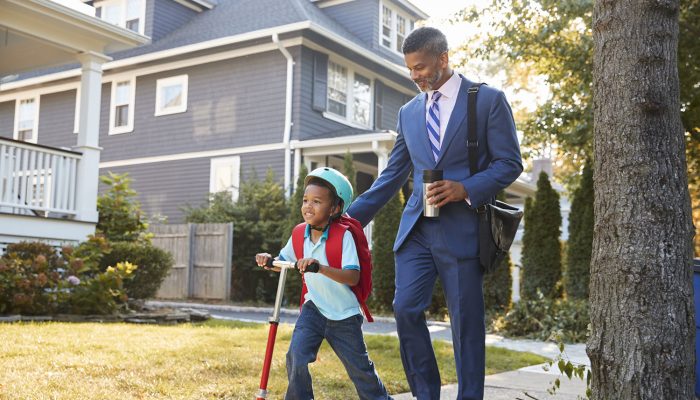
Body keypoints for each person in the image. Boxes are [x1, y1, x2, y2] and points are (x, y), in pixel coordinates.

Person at [346, 27, 523, 400]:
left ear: (443, 58)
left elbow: (510, 163)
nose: (415, 76)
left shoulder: (486, 100)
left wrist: (466, 188)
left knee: (466, 324)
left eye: (421, 67)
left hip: (462, 230)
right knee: (406, 309)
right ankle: (426, 394)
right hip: (417, 231)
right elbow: (392, 175)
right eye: (410, 69)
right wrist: (346, 221)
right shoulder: (409, 113)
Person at [255, 167, 392, 400]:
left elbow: (353, 277)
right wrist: (270, 261)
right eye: (305, 200)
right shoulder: (299, 233)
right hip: (314, 309)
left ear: (335, 208)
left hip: (344, 316)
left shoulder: (343, 236)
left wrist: (320, 267)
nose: (308, 206)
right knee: (296, 356)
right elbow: (284, 261)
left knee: (360, 371)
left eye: (317, 201)